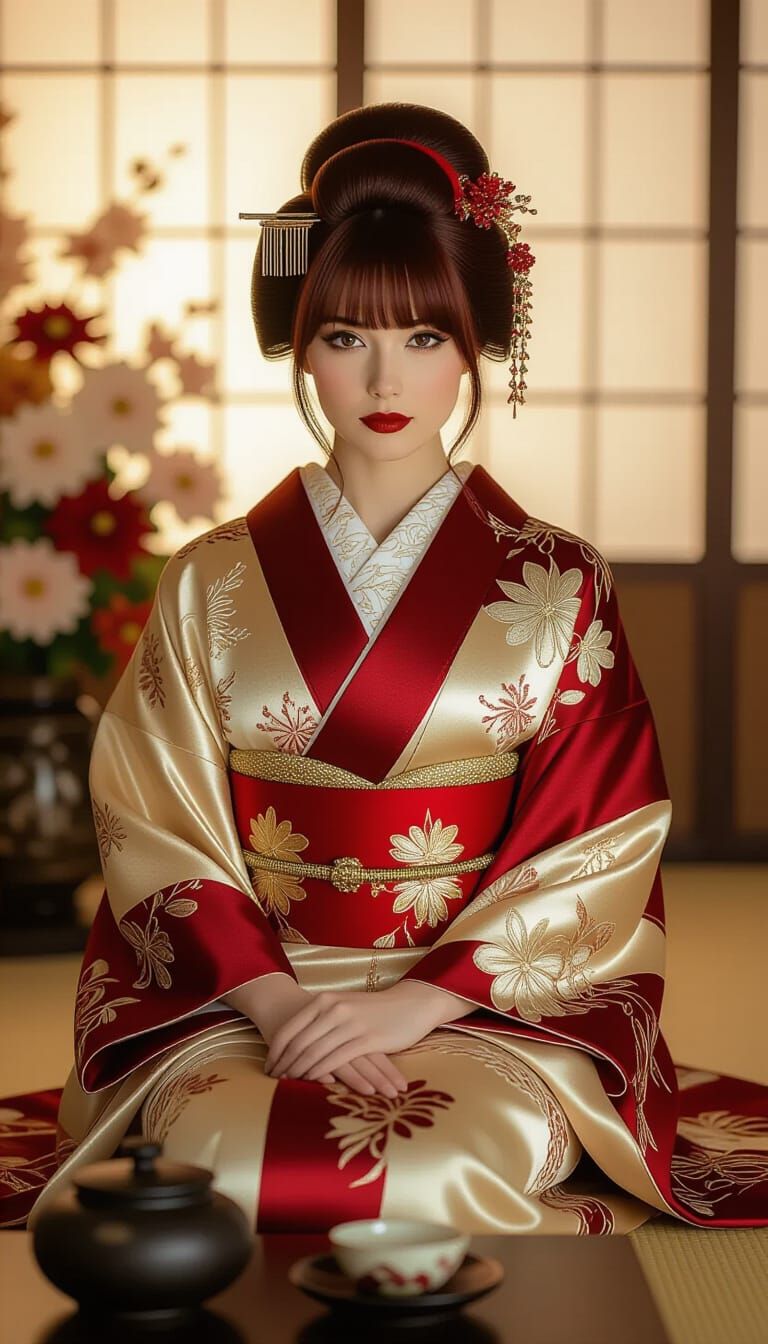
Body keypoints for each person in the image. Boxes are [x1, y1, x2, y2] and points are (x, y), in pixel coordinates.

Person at [28, 102, 768, 1234]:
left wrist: (418, 1002)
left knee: (420, 1170)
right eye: (346, 337)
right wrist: (281, 1006)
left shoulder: (560, 582)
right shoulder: (208, 580)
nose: (387, 377)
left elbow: (600, 834)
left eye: (425, 338)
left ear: (477, 341)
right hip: (247, 997)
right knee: (232, 1163)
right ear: (301, 345)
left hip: (482, 1001)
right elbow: (152, 815)